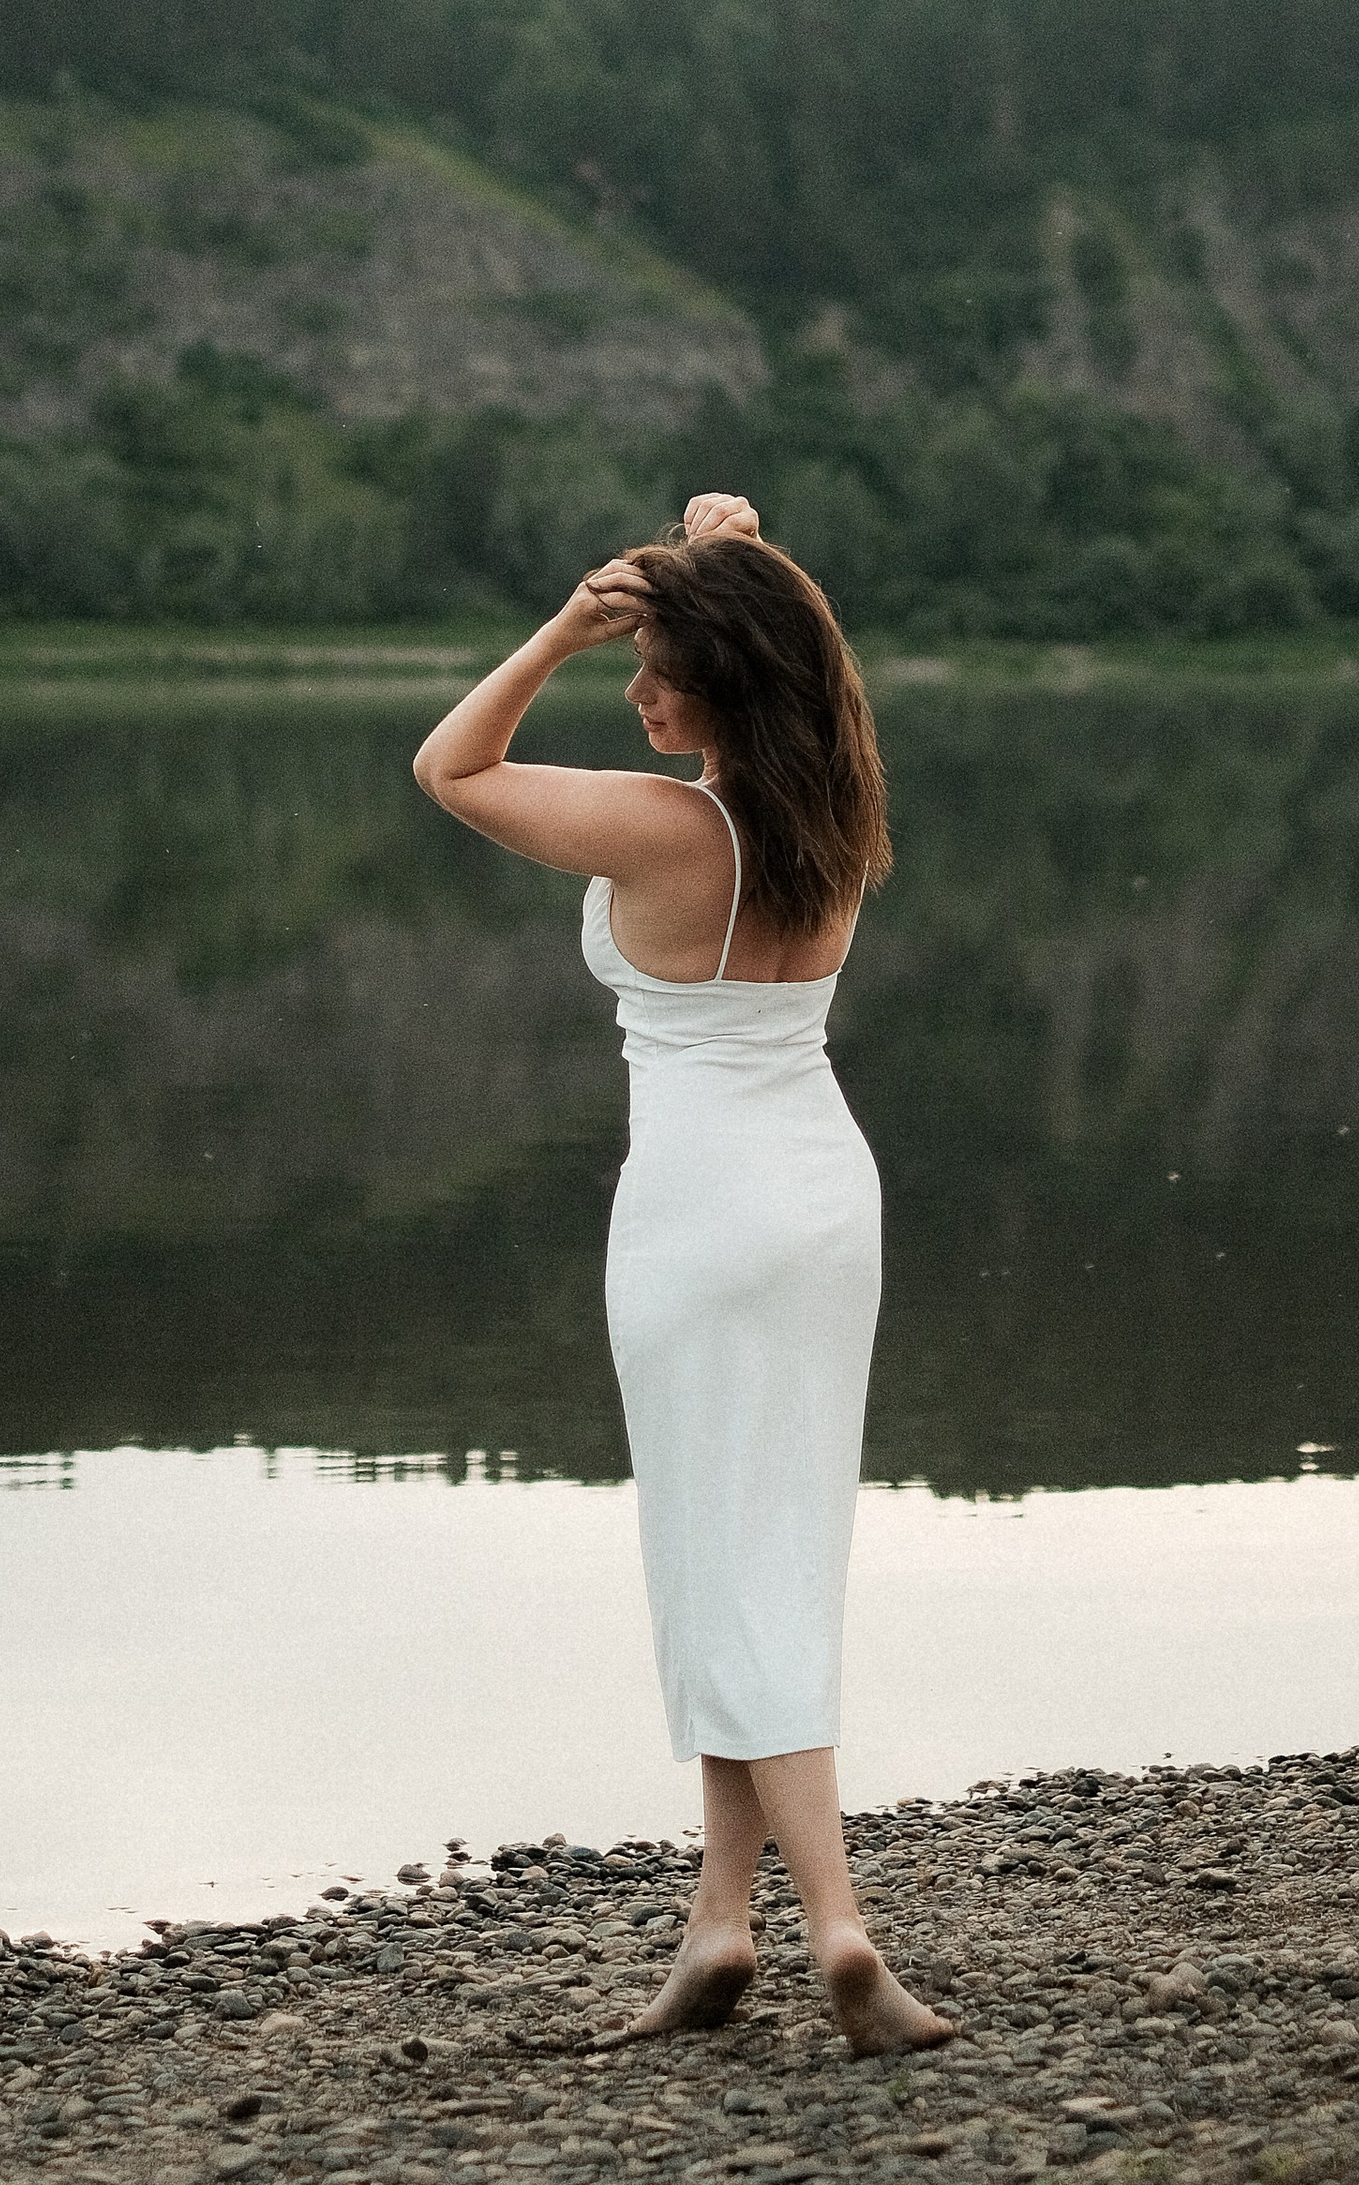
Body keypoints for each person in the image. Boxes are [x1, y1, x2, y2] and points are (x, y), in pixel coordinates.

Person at [413, 492, 954, 2057]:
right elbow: (798, 660)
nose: (639, 694)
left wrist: (562, 629)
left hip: (701, 1215)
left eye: (667, 674)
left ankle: (838, 1924)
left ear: (734, 685)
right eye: (634, 665)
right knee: (763, 1549)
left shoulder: (666, 831)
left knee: (725, 1558)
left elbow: (450, 767)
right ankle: (721, 1923)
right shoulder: (831, 818)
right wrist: (725, 554)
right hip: (823, 1203)